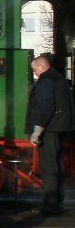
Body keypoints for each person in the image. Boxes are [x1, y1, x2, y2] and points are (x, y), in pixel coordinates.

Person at [26, 54, 75, 215]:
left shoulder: (46, 81)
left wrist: (37, 130)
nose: (34, 73)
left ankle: (50, 206)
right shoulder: (57, 78)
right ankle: (56, 202)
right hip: (58, 127)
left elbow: (45, 105)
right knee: (56, 165)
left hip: (49, 129)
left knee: (49, 167)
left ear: (41, 66)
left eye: (34, 69)